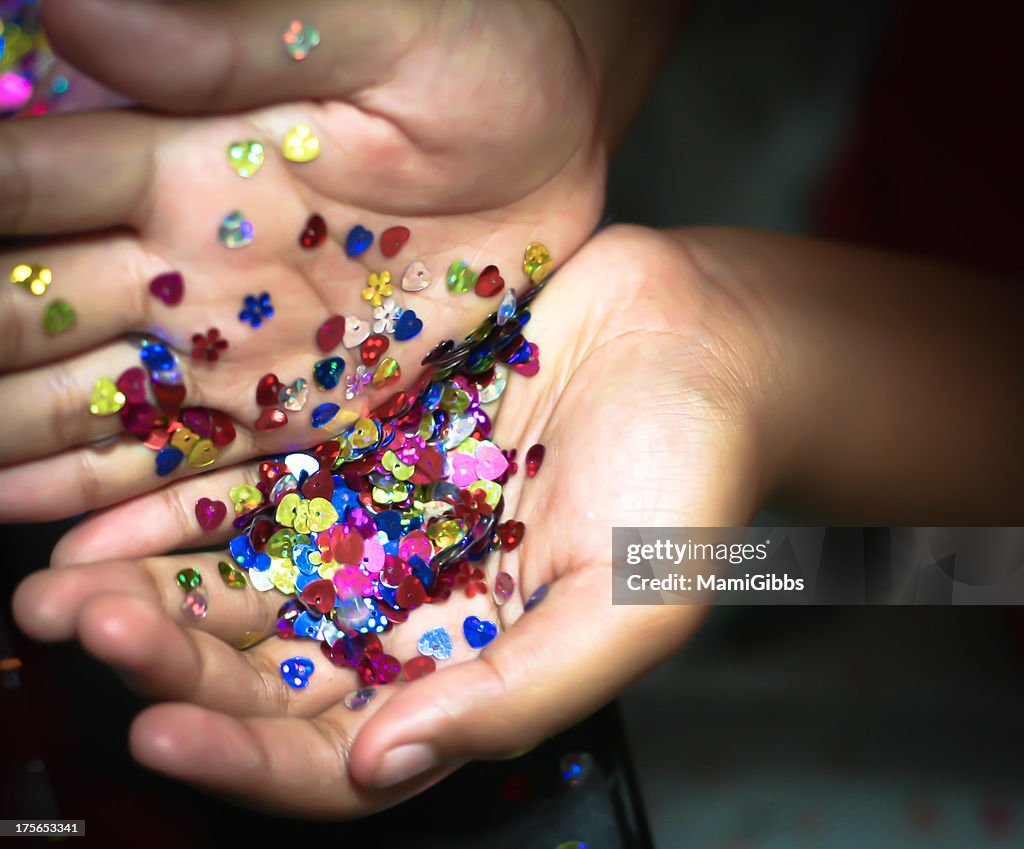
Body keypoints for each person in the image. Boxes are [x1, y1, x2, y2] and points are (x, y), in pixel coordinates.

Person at [6, 0, 1023, 817]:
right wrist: (573, 54)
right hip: (892, 170)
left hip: (971, 574)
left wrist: (747, 354)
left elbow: (961, 566)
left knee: (780, 578)